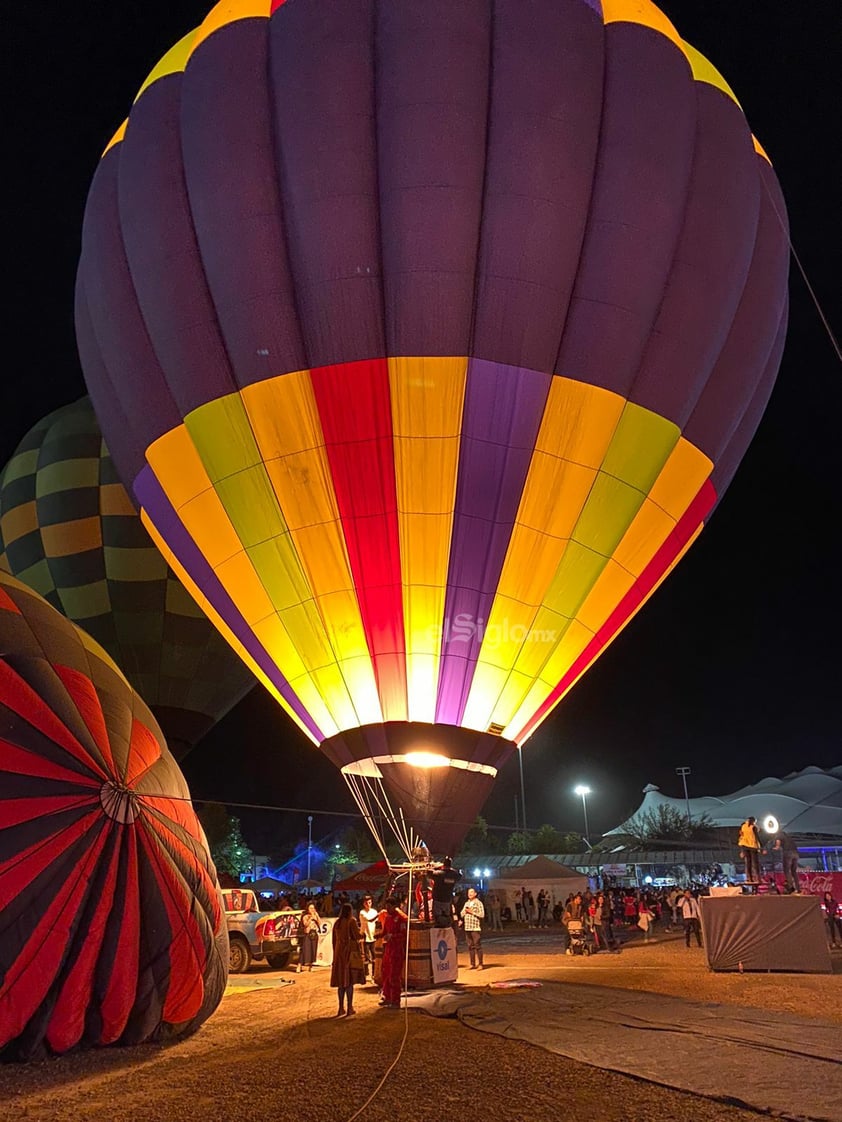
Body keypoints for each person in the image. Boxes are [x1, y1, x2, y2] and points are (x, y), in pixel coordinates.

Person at [330, 903, 366, 1016]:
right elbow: (357, 936)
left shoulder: (337, 923)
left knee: (341, 983)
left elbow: (333, 941)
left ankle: (340, 1008)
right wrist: (363, 934)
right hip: (349, 954)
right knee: (349, 982)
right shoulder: (352, 921)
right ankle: (349, 1007)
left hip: (338, 954)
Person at [379, 897, 408, 1008]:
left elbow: (404, 934)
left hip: (397, 950)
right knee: (386, 973)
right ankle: (387, 996)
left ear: (394, 906)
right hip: (388, 949)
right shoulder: (387, 917)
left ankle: (396, 1000)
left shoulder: (401, 918)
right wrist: (378, 936)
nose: (387, 908)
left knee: (394, 975)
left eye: (389, 906)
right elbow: (384, 932)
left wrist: (393, 936)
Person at [460, 887, 485, 969]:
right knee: (470, 946)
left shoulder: (479, 903)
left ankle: (480, 964)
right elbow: (461, 914)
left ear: (475, 894)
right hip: (467, 927)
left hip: (475, 928)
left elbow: (482, 915)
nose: (469, 894)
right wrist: (465, 912)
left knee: (477, 946)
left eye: (471, 892)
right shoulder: (466, 903)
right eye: (468, 893)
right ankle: (472, 964)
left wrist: (472, 912)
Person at [431, 857, 460, 927]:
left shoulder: (439, 874)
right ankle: (446, 927)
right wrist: (450, 869)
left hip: (438, 899)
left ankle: (439, 927)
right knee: (446, 915)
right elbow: (459, 875)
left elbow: (429, 873)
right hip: (447, 899)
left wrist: (434, 866)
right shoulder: (454, 875)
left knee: (437, 917)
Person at [296, 901, 321, 972]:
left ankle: (311, 966)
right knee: (304, 950)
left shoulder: (316, 915)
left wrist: (316, 916)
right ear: (307, 909)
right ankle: (299, 965)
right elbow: (305, 924)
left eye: (313, 908)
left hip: (314, 934)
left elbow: (320, 923)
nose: (312, 910)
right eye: (310, 908)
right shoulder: (305, 916)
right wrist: (310, 918)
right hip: (307, 934)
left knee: (313, 950)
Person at [358, 894, 378, 979]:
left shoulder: (374, 911)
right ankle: (366, 973)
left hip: (373, 936)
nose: (368, 904)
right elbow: (371, 919)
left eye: (369, 902)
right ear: (364, 904)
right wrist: (379, 914)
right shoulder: (362, 912)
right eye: (366, 903)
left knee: (374, 955)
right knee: (366, 956)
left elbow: (377, 922)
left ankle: (374, 973)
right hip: (365, 936)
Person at [738, 816, 762, 884]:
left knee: (747, 863)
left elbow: (741, 836)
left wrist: (741, 850)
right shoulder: (753, 827)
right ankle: (757, 878)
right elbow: (757, 837)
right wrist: (761, 847)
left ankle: (749, 878)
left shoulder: (743, 826)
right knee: (755, 863)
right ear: (754, 821)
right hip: (752, 846)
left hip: (744, 846)